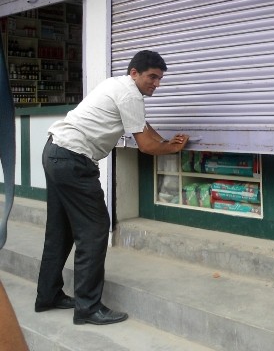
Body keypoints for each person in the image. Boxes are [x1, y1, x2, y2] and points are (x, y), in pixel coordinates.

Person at [34, 50, 188, 325]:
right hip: (73, 160)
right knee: (93, 231)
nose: (157, 83)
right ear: (135, 73)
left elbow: (142, 126)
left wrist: (164, 140)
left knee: (60, 230)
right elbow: (146, 145)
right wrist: (172, 149)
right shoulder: (129, 94)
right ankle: (88, 308)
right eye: (152, 77)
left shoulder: (118, 86)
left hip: (56, 152)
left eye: (160, 78)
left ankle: (48, 295)